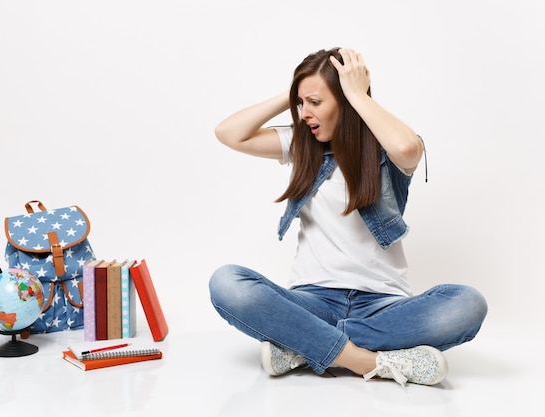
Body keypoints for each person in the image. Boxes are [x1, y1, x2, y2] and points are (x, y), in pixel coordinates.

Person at [208, 47, 487, 386]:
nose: (305, 113)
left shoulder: (385, 149)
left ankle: (301, 345)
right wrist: (296, 92)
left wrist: (356, 92)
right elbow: (229, 133)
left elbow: (407, 149)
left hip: (383, 306)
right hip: (312, 300)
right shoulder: (302, 145)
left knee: (468, 304)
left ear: (345, 99)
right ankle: (366, 360)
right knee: (227, 282)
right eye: (302, 104)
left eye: (316, 103)